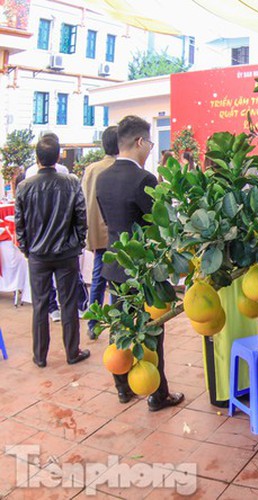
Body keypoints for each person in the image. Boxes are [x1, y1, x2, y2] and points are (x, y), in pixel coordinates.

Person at [96, 115, 184, 411]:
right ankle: (157, 394)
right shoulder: (144, 179)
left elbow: (110, 222)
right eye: (148, 143)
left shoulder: (103, 176)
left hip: (115, 264)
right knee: (151, 330)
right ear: (139, 142)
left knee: (120, 326)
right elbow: (159, 226)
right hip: (144, 271)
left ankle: (123, 387)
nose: (149, 149)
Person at [15, 134, 90, 367]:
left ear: (37, 158)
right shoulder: (70, 182)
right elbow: (81, 217)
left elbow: (20, 225)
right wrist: (78, 243)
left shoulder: (25, 187)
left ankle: (40, 356)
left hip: (39, 254)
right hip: (65, 253)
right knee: (68, 303)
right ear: (58, 157)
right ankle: (71, 352)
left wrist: (27, 249)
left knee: (40, 305)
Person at [81, 125, 118, 340]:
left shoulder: (91, 169)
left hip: (97, 235)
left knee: (98, 279)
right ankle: (115, 325)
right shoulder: (118, 167)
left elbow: (86, 201)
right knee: (116, 283)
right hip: (115, 234)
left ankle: (93, 324)